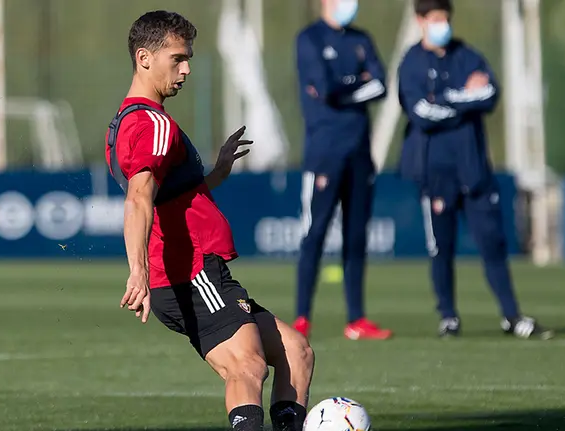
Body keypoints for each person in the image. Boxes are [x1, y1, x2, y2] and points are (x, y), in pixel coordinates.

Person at [105, 11, 314, 431]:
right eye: (177, 58)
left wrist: (216, 171)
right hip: (189, 271)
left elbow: (169, 195)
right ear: (144, 58)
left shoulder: (129, 121)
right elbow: (139, 198)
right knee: (247, 366)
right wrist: (138, 272)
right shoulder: (152, 122)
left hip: (195, 271)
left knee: (296, 352)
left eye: (189, 59)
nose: (185, 70)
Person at [397, 0, 554, 340]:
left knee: (493, 244)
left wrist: (446, 100)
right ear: (421, 21)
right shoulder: (411, 63)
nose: (442, 24)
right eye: (436, 18)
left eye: (446, 18)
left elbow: (490, 94)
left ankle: (511, 315)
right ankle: (448, 317)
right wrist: (462, 99)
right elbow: (421, 112)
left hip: (474, 170)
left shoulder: (467, 55)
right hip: (435, 173)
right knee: (441, 248)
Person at [293, 0, 392, 340]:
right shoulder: (310, 39)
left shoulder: (361, 38)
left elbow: (381, 84)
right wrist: (357, 83)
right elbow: (325, 89)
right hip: (324, 154)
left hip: (360, 152)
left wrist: (345, 87)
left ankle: (356, 319)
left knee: (356, 237)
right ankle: (303, 317)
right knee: (315, 234)